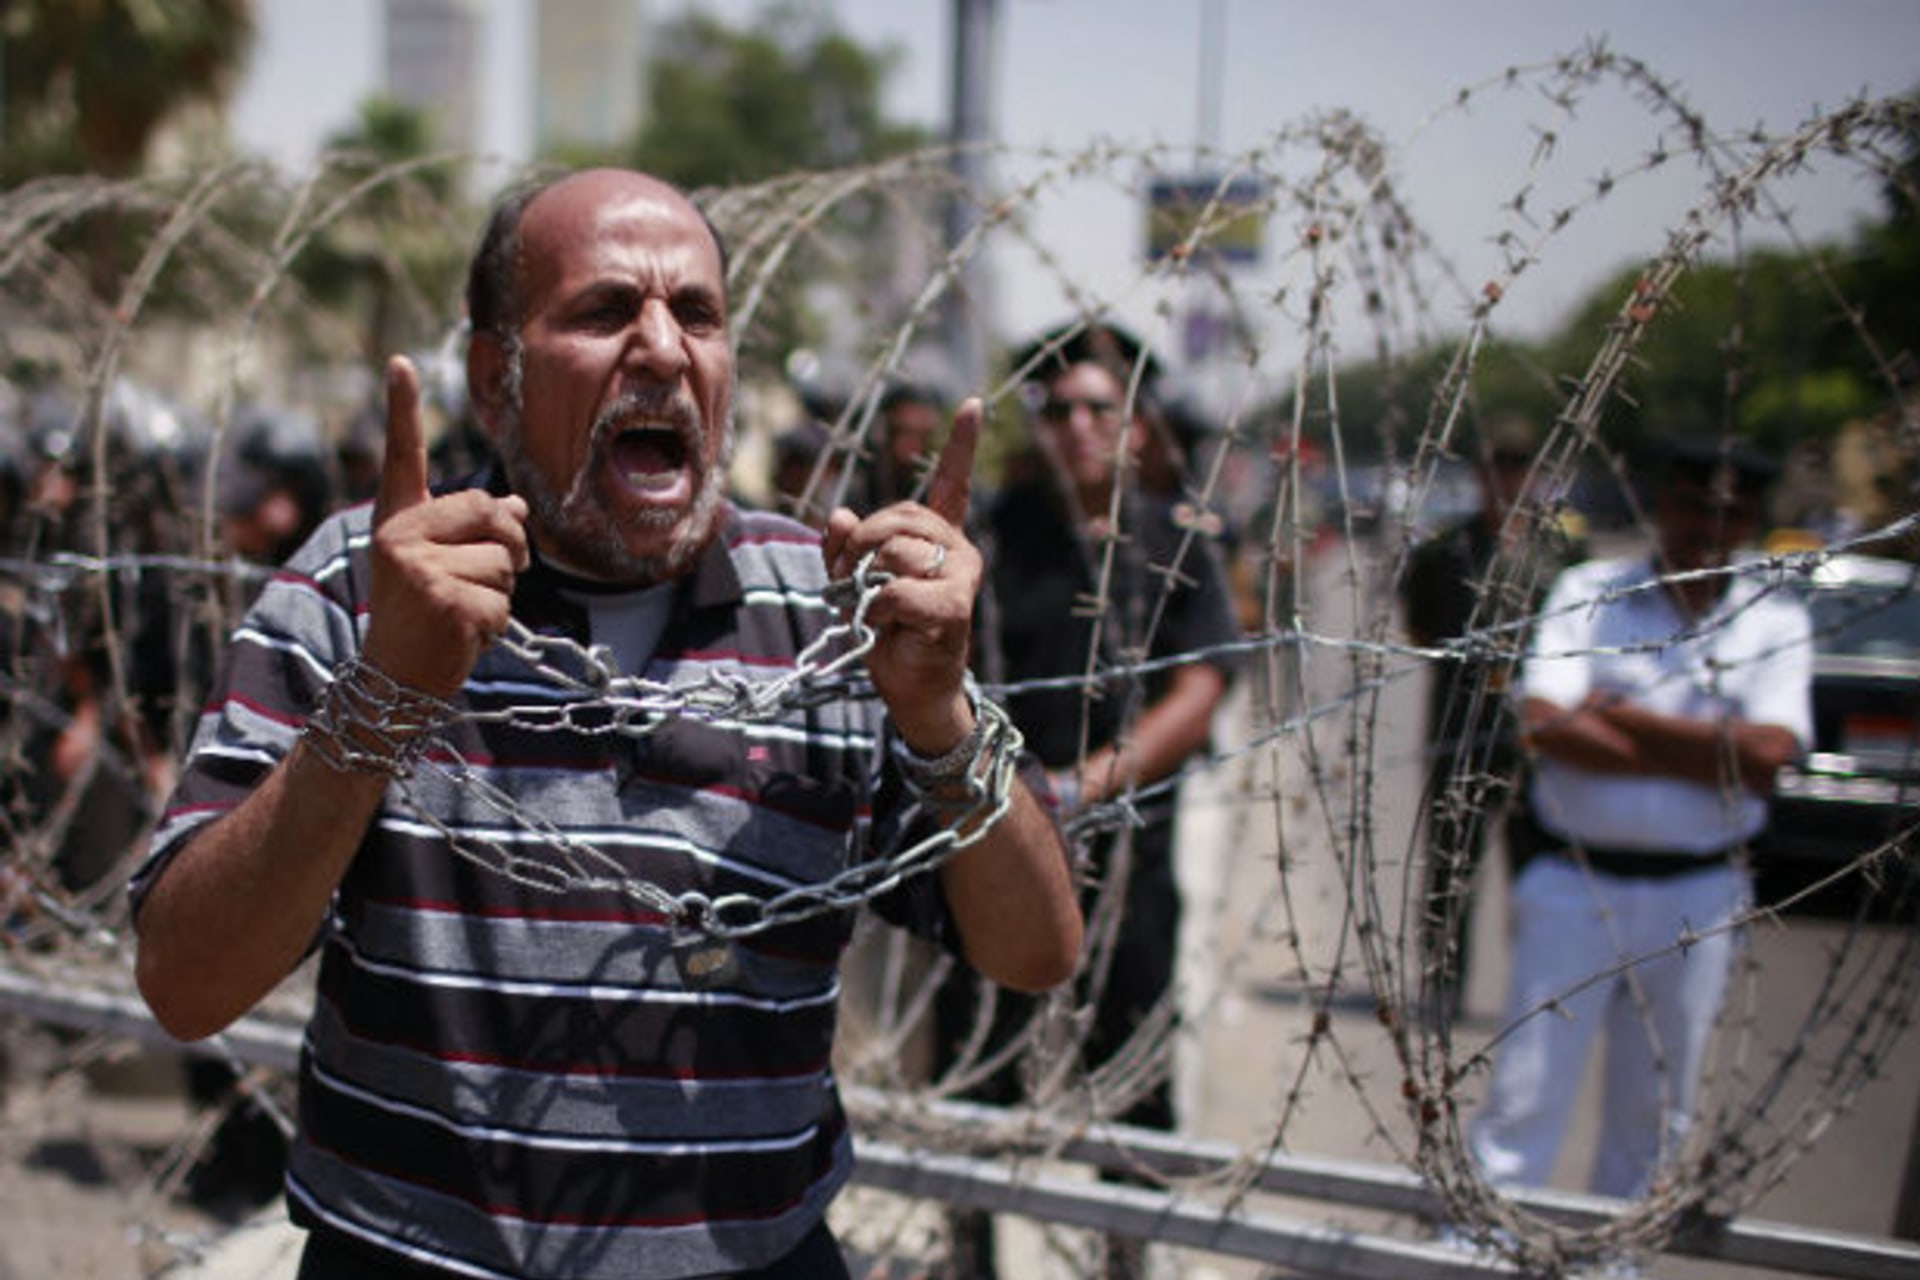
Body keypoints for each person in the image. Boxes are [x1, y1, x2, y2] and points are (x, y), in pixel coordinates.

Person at [130, 167, 1082, 1280]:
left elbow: (1038, 949)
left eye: (697, 313)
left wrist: (939, 714)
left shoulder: (836, 609)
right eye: (602, 311)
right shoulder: (367, 584)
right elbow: (186, 982)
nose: (665, 349)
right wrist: (383, 696)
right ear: (495, 377)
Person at [935, 321, 1239, 1280]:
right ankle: (970, 1254)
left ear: (1135, 425)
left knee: (1132, 1083)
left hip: (1128, 855)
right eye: (1058, 408)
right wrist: (1009, 792)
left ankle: (1127, 1261)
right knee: (977, 1071)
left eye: (1098, 407)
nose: (1076, 426)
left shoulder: (1173, 542)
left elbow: (1200, 690)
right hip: (998, 846)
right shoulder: (998, 535)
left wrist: (1083, 787)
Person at [1466, 434, 1811, 1203]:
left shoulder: (1773, 621)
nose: (1707, 530)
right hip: (1576, 876)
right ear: (1663, 505)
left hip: (1697, 890)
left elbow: (1767, 758)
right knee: (1528, 1083)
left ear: (1750, 522)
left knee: (1656, 1098)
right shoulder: (1595, 592)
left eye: (1729, 515)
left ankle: (1614, 1256)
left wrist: (1626, 722)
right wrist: (1709, 747)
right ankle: (1485, 1237)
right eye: (1693, 507)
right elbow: (1547, 723)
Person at [1399, 414, 1586, 1020]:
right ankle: (1444, 982)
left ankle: (1532, 985)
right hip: (1460, 726)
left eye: (1517, 469)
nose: (1505, 481)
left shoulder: (1559, 553)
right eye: (1495, 468)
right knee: (1452, 865)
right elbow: (1421, 627)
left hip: (1533, 734)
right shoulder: (1444, 552)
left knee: (1536, 871)